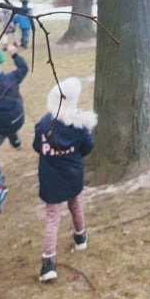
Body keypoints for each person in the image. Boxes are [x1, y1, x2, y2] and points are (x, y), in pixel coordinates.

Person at [33, 77, 97, 283]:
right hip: (71, 175)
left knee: (53, 217)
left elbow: (37, 146)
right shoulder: (78, 126)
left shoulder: (43, 124)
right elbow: (88, 147)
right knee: (75, 205)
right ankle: (80, 236)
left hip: (51, 178)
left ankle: (48, 263)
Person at [0, 41, 27, 153]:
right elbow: (23, 68)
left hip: (2, 126)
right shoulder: (11, 78)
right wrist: (15, 55)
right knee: (7, 116)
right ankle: (16, 142)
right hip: (20, 117)